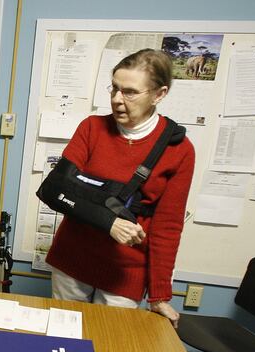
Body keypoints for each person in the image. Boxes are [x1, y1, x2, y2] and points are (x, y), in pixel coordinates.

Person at [46, 49, 195, 328]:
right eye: (114, 88)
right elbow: (54, 189)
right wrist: (108, 221)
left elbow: (168, 226)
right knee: (63, 341)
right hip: (73, 259)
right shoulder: (92, 128)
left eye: (129, 92)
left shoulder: (180, 150)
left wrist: (160, 294)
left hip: (125, 270)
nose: (116, 99)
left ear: (159, 94)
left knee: (111, 350)